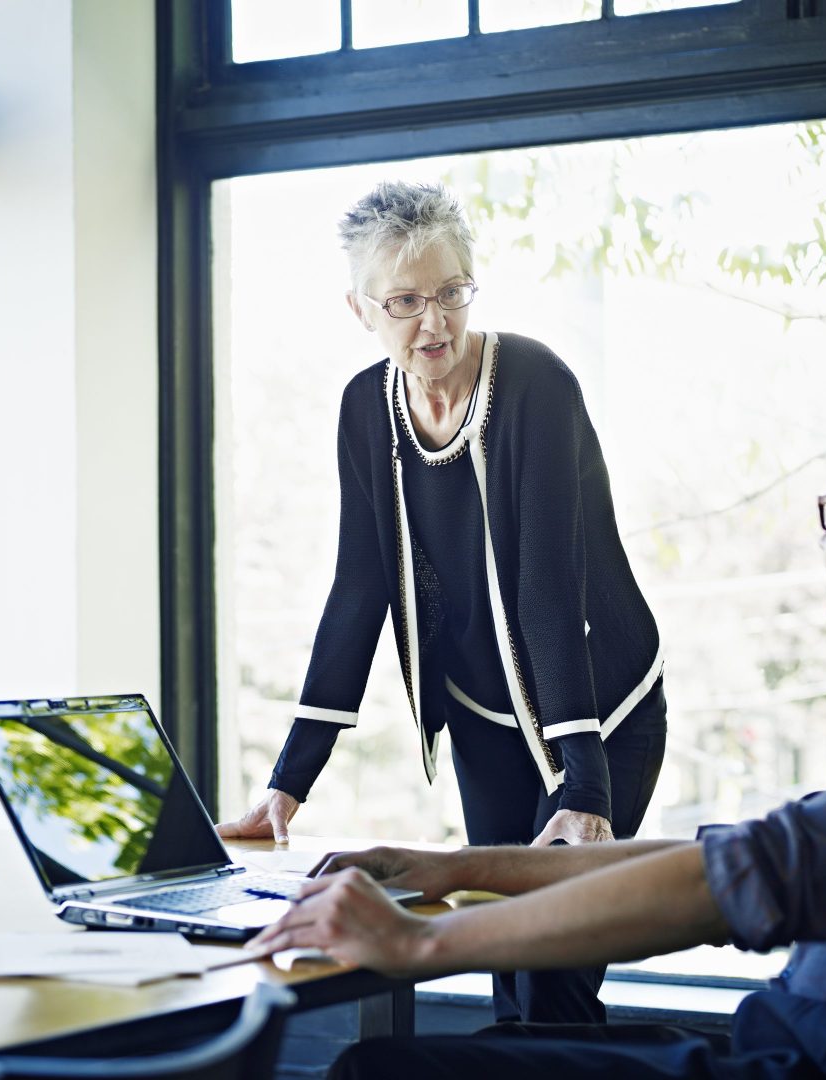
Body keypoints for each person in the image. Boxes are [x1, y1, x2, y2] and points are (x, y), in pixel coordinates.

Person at [253, 410, 826, 1079]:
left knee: (386, 1072)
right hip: (803, 1040)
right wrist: (456, 868)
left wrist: (420, 942)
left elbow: (745, 878)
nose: (824, 539)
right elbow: (731, 853)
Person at [217, 180, 668, 1023]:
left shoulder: (534, 383)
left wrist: (585, 787)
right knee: (504, 955)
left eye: (452, 292)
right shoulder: (365, 408)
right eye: (405, 301)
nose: (435, 324)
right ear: (361, 309)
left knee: (555, 967)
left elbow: (547, 586)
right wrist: (287, 784)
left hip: (601, 709)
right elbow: (360, 588)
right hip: (481, 713)